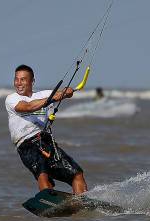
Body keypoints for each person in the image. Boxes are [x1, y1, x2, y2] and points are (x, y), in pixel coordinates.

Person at [5, 64, 88, 195]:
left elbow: (61, 94)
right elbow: (28, 107)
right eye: (16, 79)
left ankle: (82, 203)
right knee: (43, 173)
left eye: (23, 79)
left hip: (46, 143)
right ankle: (48, 199)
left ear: (32, 81)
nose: (18, 83)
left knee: (76, 173)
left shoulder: (43, 94)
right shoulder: (12, 98)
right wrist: (53, 98)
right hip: (26, 144)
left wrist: (67, 92)